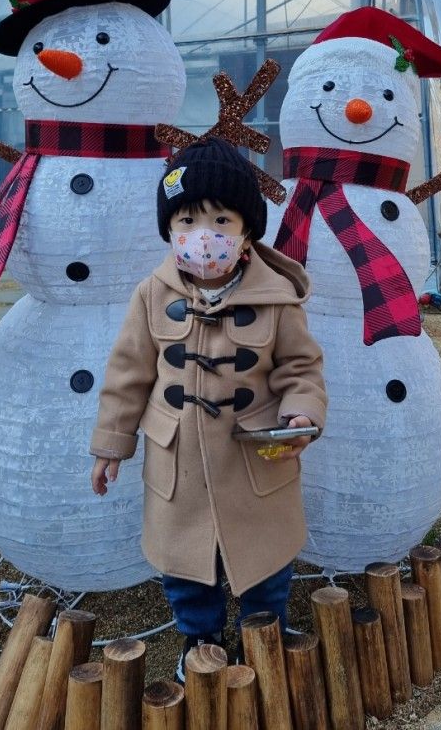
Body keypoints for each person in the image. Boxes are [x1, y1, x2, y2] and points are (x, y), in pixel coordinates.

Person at [90, 136, 327, 680]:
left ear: (245, 233)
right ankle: (199, 637)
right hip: (180, 458)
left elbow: (300, 367)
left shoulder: (278, 296)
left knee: (265, 555)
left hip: (256, 454)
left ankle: (265, 628)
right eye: (188, 221)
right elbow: (128, 375)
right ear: (170, 232)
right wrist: (110, 446)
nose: (204, 236)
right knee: (186, 562)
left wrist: (300, 410)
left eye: (221, 221)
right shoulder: (152, 293)